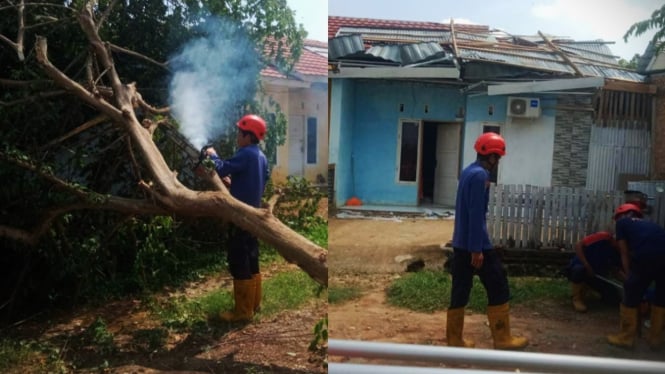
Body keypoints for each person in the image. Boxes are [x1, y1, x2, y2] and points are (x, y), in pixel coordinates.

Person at [446, 132, 528, 350]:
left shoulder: (467, 172)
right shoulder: (480, 176)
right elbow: (475, 214)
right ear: (491, 156)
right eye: (497, 157)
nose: (498, 162)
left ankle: (454, 340)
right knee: (498, 285)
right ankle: (503, 339)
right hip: (477, 245)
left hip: (461, 243)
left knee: (460, 289)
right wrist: (477, 249)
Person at [205, 114, 269, 322]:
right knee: (252, 257)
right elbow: (261, 178)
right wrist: (236, 183)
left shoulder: (246, 153)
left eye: (239, 133)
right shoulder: (260, 155)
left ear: (248, 136)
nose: (237, 136)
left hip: (240, 215)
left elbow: (221, 167)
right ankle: (254, 304)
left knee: (238, 258)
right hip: (254, 215)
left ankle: (242, 312)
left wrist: (212, 154)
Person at [607, 203, 665, 350]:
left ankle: (626, 338)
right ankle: (656, 339)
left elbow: (624, 252)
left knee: (631, 292)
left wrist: (628, 276)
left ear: (620, 216)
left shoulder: (622, 223)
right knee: (661, 298)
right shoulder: (651, 224)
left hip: (646, 256)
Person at [563, 231, 622, 312]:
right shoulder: (603, 236)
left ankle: (589, 289)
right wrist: (587, 265)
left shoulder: (617, 252)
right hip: (580, 268)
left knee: (613, 296)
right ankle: (577, 298)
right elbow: (578, 245)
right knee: (579, 270)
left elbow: (615, 270)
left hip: (596, 275)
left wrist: (628, 282)